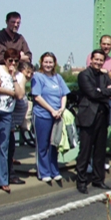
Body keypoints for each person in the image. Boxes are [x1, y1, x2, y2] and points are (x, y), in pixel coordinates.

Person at [75, 50, 111, 193]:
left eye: (101, 60)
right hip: (88, 116)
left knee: (100, 151)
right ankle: (81, 182)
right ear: (91, 60)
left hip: (102, 115)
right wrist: (104, 91)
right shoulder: (83, 75)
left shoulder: (104, 75)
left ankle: (98, 180)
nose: (98, 62)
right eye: (96, 59)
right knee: (85, 151)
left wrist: (101, 90)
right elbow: (91, 93)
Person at [31, 52, 70, 183]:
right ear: (41, 63)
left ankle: (54, 170)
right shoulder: (38, 77)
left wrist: (61, 108)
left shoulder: (58, 77)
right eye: (46, 62)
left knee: (54, 144)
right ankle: (43, 172)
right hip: (43, 114)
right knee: (43, 145)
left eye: (50, 62)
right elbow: (37, 96)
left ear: (54, 64)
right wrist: (51, 110)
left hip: (57, 115)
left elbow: (64, 94)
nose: (48, 65)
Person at [0, 48, 25, 193]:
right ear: (5, 60)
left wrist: (13, 77)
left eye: (16, 61)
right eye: (10, 60)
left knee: (2, 147)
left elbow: (20, 95)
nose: (13, 63)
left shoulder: (20, 76)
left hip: (6, 113)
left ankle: (2, 180)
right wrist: (10, 92)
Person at [8, 61, 33, 185]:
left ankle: (9, 174)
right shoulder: (19, 78)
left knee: (10, 149)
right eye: (27, 72)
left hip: (13, 125)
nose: (29, 75)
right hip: (9, 123)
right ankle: (9, 175)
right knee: (8, 149)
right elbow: (19, 96)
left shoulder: (21, 79)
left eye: (31, 73)